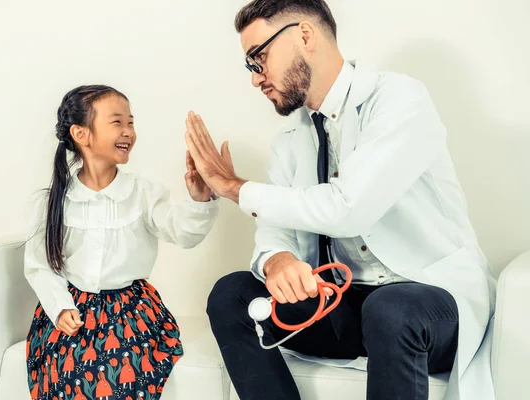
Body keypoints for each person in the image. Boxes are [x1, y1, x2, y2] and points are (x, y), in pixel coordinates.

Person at [183, 1, 496, 399]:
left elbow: (349, 208)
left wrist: (233, 187)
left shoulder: (399, 100)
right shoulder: (290, 140)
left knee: (389, 309)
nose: (255, 79)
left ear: (305, 35)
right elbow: (275, 230)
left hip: (427, 304)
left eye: (259, 58)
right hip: (344, 308)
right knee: (231, 294)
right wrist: (277, 260)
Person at [25, 85, 219, 399]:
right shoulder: (53, 201)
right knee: (67, 371)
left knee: (120, 374)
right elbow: (39, 266)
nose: (129, 131)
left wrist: (200, 201)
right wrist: (59, 309)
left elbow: (182, 232)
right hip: (72, 309)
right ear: (81, 134)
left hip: (131, 310)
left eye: (131, 122)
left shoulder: (143, 193)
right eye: (117, 122)